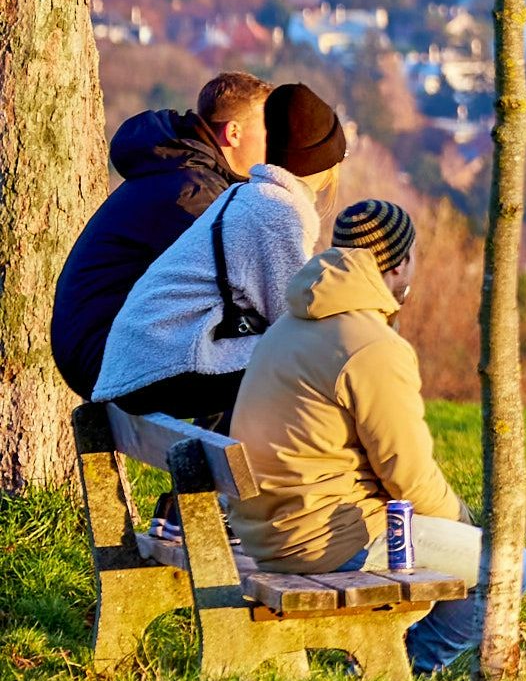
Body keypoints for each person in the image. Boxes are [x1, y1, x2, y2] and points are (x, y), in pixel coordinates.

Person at [226, 200, 526, 677]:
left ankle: (387, 655)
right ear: (398, 263)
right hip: (325, 538)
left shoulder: (292, 321)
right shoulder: (371, 346)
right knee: (510, 568)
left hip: (267, 530)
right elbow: (408, 475)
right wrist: (465, 525)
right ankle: (401, 666)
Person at [94, 82, 348, 426]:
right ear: (323, 162)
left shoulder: (246, 195)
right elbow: (290, 317)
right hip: (156, 372)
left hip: (135, 365)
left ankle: (230, 467)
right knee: (309, 363)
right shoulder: (279, 210)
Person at [52, 72, 269, 399]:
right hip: (108, 359)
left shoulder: (181, 171)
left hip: (102, 352)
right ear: (234, 133)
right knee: (279, 358)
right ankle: (223, 450)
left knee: (262, 349)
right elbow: (231, 287)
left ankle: (218, 448)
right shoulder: (192, 191)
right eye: (270, 129)